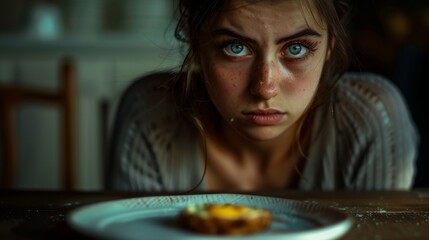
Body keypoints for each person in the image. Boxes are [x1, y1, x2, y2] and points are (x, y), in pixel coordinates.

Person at [107, 0, 419, 192]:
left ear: (330, 46)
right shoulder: (151, 113)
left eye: (296, 48)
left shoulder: (372, 119)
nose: (265, 87)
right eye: (236, 47)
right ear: (196, 43)